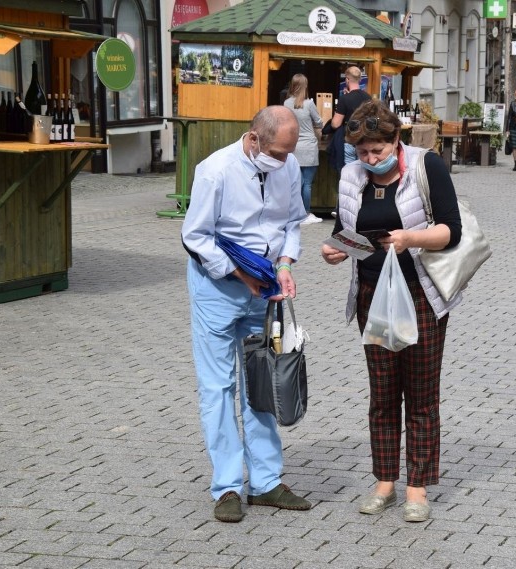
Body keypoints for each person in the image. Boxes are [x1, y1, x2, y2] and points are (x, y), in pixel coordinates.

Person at [320, 100, 462, 523]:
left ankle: (416, 488)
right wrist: (335, 249)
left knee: (420, 394)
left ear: (396, 139)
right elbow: (344, 229)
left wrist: (411, 238)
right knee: (381, 394)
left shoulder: (426, 166)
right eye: (362, 152)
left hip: (421, 294)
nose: (370, 159)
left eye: (377, 150)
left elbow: (450, 231)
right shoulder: (350, 176)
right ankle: (384, 482)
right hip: (372, 294)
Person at [181, 106, 311, 523]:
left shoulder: (288, 166)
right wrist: (238, 272)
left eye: (289, 153)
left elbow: (293, 221)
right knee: (218, 387)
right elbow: (195, 235)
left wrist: (287, 264)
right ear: (254, 138)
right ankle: (227, 487)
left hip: (266, 285)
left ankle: (267, 482)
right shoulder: (214, 170)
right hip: (218, 288)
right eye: (277, 152)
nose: (284, 160)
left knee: (262, 378)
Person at [284, 74, 324, 225]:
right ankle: (306, 214)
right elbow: (319, 122)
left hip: (293, 147)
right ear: (305, 86)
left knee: (296, 183)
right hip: (309, 146)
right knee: (307, 184)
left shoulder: (286, 103)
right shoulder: (309, 104)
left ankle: (295, 214)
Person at [325, 66, 371, 171]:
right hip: (364, 141)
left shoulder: (345, 99)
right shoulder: (368, 98)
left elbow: (335, 124)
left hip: (349, 141)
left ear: (347, 79)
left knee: (348, 174)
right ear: (359, 79)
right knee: (363, 175)